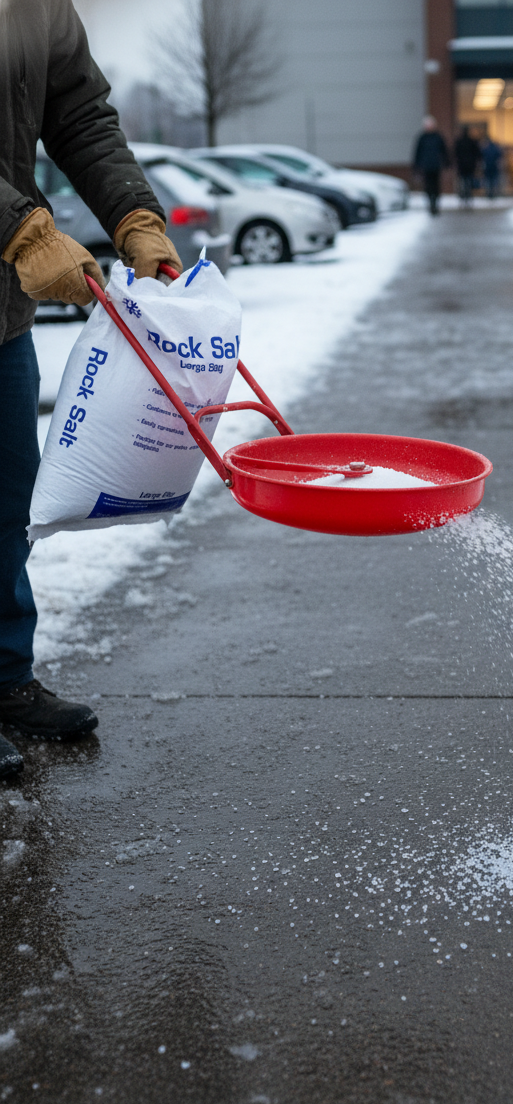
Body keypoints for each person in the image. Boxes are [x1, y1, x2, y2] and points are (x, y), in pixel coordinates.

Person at [0, 0, 182, 778]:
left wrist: (135, 216)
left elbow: (77, 113)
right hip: (9, 250)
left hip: (0, 315)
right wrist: (19, 227)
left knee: (10, 502)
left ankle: (4, 679)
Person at [412, 116, 450, 216]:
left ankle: (435, 204)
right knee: (428, 187)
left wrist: (447, 163)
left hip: (436, 166)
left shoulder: (438, 137)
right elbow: (417, 152)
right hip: (426, 167)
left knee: (436, 186)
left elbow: (444, 151)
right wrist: (416, 166)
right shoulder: (422, 138)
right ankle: (430, 204)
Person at [453, 127, 482, 207]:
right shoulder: (472, 142)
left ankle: (463, 197)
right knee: (469, 182)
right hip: (470, 166)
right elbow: (478, 154)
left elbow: (455, 153)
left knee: (463, 182)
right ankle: (468, 197)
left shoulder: (459, 142)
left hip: (462, 166)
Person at [480, 135, 504, 201]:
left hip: (488, 167)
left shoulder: (485, 149)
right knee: (493, 181)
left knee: (488, 181)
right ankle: (493, 193)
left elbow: (482, 157)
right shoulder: (495, 148)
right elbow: (499, 157)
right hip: (494, 167)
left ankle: (489, 193)